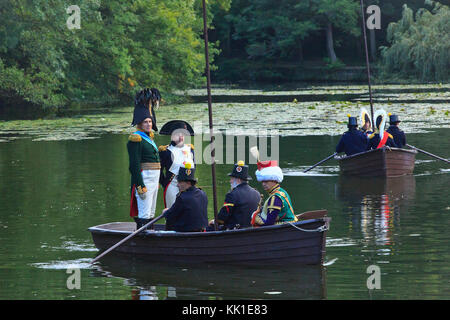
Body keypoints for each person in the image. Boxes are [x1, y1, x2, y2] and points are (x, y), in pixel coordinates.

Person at [128, 90, 161, 230]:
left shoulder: (150, 139)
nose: (148, 124)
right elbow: (134, 165)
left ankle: (151, 234)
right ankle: (143, 238)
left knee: (151, 211)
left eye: (149, 121)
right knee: (144, 211)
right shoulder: (136, 139)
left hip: (154, 179)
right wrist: (139, 185)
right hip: (145, 178)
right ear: (140, 124)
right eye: (145, 122)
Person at [208, 161, 261, 230]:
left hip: (234, 231)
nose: (230, 181)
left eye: (232, 178)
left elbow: (223, 217)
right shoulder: (257, 193)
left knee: (209, 227)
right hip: (251, 229)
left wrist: (215, 221)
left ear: (238, 180)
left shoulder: (232, 194)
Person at [159, 121, 195, 209]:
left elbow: (194, 167)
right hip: (172, 184)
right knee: (172, 210)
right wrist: (165, 183)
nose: (181, 136)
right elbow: (159, 170)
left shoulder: (190, 149)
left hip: (188, 185)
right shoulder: (165, 151)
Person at [162, 163, 208, 232]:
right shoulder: (203, 194)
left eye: (180, 182)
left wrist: (165, 212)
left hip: (185, 232)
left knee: (169, 220)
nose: (177, 185)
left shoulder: (182, 198)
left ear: (188, 183)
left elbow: (170, 215)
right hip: (201, 231)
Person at [250, 160, 297, 227]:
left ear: (274, 180)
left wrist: (255, 217)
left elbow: (268, 223)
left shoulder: (275, 198)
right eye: (262, 181)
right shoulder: (282, 191)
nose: (263, 184)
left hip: (284, 229)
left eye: (266, 181)